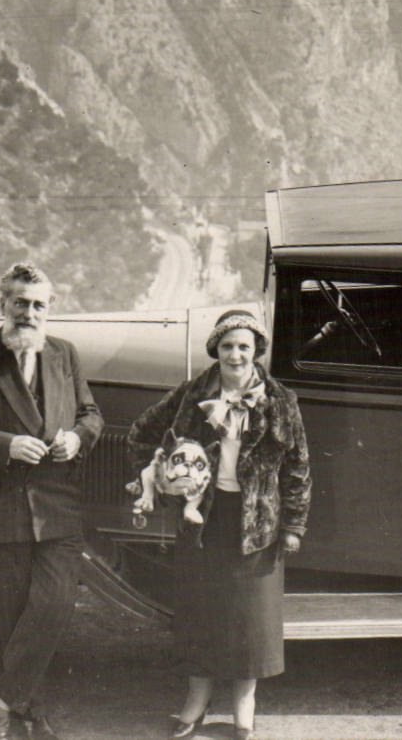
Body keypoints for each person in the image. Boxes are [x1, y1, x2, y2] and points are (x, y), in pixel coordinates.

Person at [0, 263, 103, 740]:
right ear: (2, 305)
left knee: (54, 604)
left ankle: (3, 696)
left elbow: (91, 414)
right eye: (20, 303)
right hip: (0, 503)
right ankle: (25, 715)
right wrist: (4, 445)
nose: (29, 313)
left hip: (58, 504)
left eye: (38, 305)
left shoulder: (64, 354)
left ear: (49, 309)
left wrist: (77, 438)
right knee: (9, 617)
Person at [128, 309, 311, 740]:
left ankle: (244, 704)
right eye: (227, 346)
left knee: (251, 619)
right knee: (200, 613)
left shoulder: (281, 400)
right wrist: (150, 478)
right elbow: (142, 431)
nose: (235, 354)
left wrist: (294, 526)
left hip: (258, 523)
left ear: (257, 351)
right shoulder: (193, 394)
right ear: (216, 349)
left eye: (244, 346)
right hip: (203, 519)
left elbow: (298, 466)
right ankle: (196, 702)